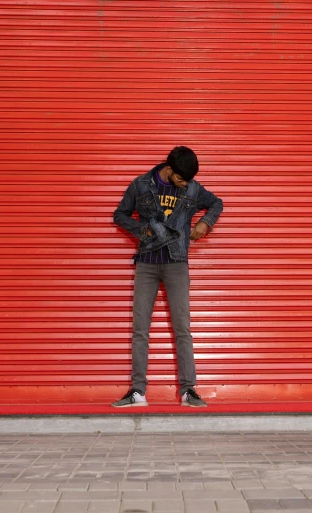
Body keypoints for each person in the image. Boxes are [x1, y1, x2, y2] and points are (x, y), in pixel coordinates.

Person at [111, 146, 223, 407]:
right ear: (170, 169)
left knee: (183, 329)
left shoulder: (192, 188)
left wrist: (206, 221)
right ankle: (137, 392)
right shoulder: (140, 185)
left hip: (176, 263)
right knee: (140, 329)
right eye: (181, 179)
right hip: (147, 264)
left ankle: (188, 391)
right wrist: (141, 230)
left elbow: (217, 202)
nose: (186, 184)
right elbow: (120, 214)